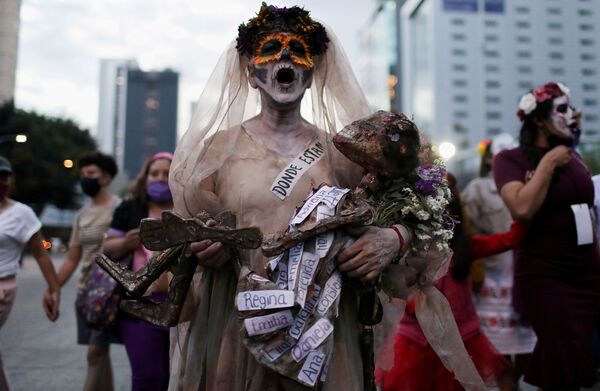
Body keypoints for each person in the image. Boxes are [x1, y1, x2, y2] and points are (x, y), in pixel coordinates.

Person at [166, 4, 413, 390]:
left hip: (324, 328)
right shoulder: (215, 152)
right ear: (251, 74)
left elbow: (418, 215)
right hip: (239, 324)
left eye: (297, 49)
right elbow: (184, 234)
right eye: (270, 49)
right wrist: (200, 244)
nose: (284, 57)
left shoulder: (347, 153)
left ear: (312, 72)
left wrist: (395, 238)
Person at [376, 173, 526, 391]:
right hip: (418, 342)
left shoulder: (466, 246)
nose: (440, 217)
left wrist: (524, 205)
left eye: (447, 210)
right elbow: (395, 289)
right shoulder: (408, 250)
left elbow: (511, 239)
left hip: (463, 340)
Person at [494, 81, 600, 389]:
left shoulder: (574, 157)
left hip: (586, 273)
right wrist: (548, 164)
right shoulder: (510, 160)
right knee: (563, 348)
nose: (572, 115)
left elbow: (589, 215)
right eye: (562, 109)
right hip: (546, 275)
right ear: (539, 119)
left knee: (574, 351)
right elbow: (522, 208)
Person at [462, 135, 536, 388]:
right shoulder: (478, 188)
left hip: (526, 273)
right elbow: (466, 228)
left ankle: (514, 381)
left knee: (529, 338)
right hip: (493, 275)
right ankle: (508, 384)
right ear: (491, 158)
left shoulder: (531, 185)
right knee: (498, 341)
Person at [103, 152, 173, 391]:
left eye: (168, 174)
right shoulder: (130, 208)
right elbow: (107, 249)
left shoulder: (188, 208)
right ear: (145, 177)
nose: (161, 179)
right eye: (155, 174)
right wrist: (125, 243)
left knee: (179, 378)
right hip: (139, 308)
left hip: (185, 308)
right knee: (149, 378)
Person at [53, 151, 120, 391]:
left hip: (109, 293)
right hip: (85, 293)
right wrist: (53, 288)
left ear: (106, 178)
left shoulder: (120, 208)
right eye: (82, 175)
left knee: (95, 353)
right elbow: (72, 258)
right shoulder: (81, 214)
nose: (85, 179)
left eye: (91, 174)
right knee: (100, 354)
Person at [0, 155, 60, 390]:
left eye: (5, 176)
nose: (2, 181)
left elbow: (41, 253)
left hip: (3, 287)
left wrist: (54, 289)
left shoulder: (21, 213)